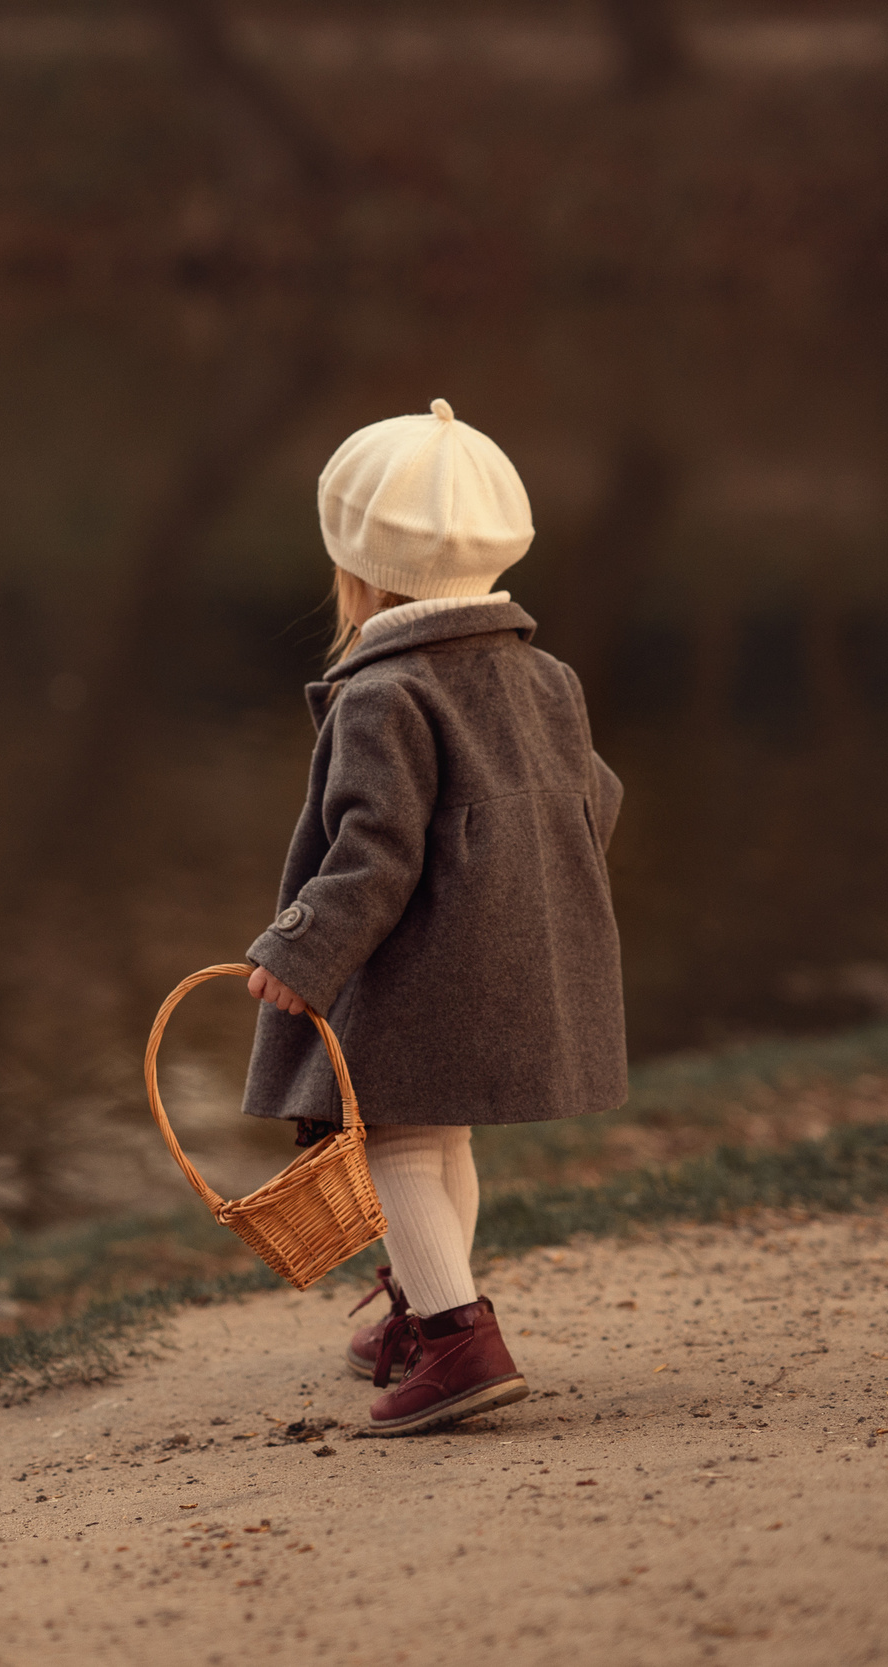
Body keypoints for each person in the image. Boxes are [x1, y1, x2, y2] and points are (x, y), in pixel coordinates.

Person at [241, 397, 627, 1436]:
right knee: (437, 1130)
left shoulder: (384, 693)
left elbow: (376, 850)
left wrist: (301, 951)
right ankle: (421, 1307)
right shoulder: (544, 674)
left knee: (392, 1141)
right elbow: (598, 795)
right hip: (507, 952)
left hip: (422, 965)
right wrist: (529, 888)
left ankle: (457, 1339)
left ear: (353, 565)